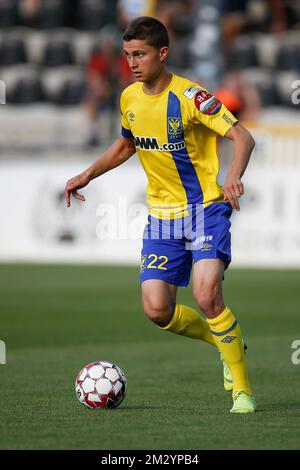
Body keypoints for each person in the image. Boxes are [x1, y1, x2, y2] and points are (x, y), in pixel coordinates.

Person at [64, 16, 256, 413]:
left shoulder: (191, 96)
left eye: (140, 54)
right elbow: (126, 146)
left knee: (207, 295)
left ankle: (242, 391)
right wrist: (86, 174)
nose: (132, 63)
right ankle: (223, 340)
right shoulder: (129, 98)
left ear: (162, 53)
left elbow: (242, 135)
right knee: (156, 310)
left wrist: (233, 175)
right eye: (127, 55)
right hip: (162, 218)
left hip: (205, 208)